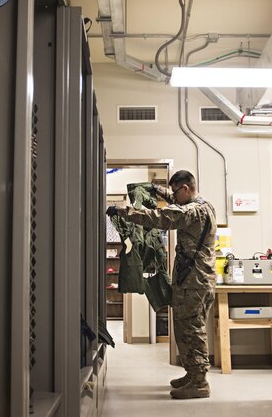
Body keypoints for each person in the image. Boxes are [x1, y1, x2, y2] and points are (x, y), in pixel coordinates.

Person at [106, 170, 217, 399]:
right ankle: (191, 373)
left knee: (191, 330)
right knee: (187, 328)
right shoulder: (205, 205)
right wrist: (158, 189)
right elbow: (175, 200)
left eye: (176, 191)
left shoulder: (191, 211)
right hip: (197, 280)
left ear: (185, 188)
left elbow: (160, 218)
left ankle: (199, 381)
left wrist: (123, 211)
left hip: (193, 282)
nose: (173, 196)